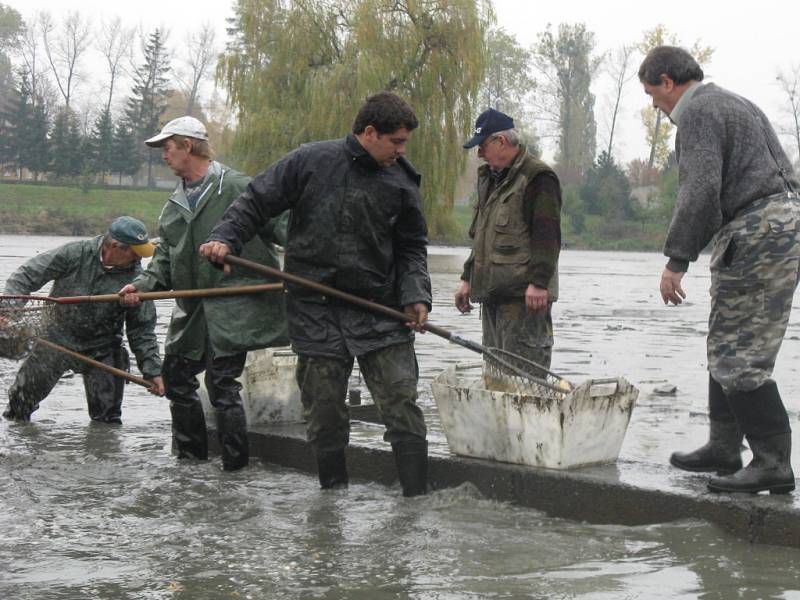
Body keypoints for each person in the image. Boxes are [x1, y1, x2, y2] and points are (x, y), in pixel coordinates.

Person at [198, 92, 432, 496]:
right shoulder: (309, 161)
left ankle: (416, 501)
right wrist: (224, 238)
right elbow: (256, 201)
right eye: (396, 141)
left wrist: (417, 295)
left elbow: (412, 247)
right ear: (369, 132)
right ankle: (332, 501)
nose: (401, 150)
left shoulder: (401, 180)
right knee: (324, 413)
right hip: (314, 308)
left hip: (380, 308)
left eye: (404, 143)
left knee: (401, 405)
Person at [638, 46, 799, 494]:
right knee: (725, 340)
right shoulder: (733, 101)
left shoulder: (699, 114)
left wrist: (676, 260)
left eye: (653, 93)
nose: (654, 104)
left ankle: (772, 463)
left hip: (757, 229)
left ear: (669, 82)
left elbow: (701, 190)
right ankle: (724, 446)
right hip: (779, 223)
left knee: (740, 355)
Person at [118, 116, 288, 472]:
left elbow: (285, 230)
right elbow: (164, 261)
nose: (163, 157)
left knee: (222, 385)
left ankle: (234, 470)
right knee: (177, 378)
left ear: (188, 147)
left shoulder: (240, 187)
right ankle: (191, 465)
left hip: (236, 304)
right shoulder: (173, 206)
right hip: (194, 311)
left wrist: (317, 264)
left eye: (167, 149)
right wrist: (142, 286)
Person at [2, 216, 164, 424]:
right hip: (55, 341)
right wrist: (9, 312)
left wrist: (152, 371)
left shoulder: (137, 280)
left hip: (102, 348)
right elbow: (24, 277)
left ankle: (102, 455)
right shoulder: (74, 254)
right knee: (18, 407)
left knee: (107, 421)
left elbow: (142, 330)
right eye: (135, 253)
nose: (138, 259)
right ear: (115, 247)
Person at [454, 108, 562, 372]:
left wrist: (539, 283)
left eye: (482, 147)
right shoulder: (489, 179)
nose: (479, 154)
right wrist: (468, 278)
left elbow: (547, 236)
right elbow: (481, 234)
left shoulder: (538, 177)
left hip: (524, 298)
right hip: (492, 296)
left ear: (500, 141)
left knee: (523, 377)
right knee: (496, 375)